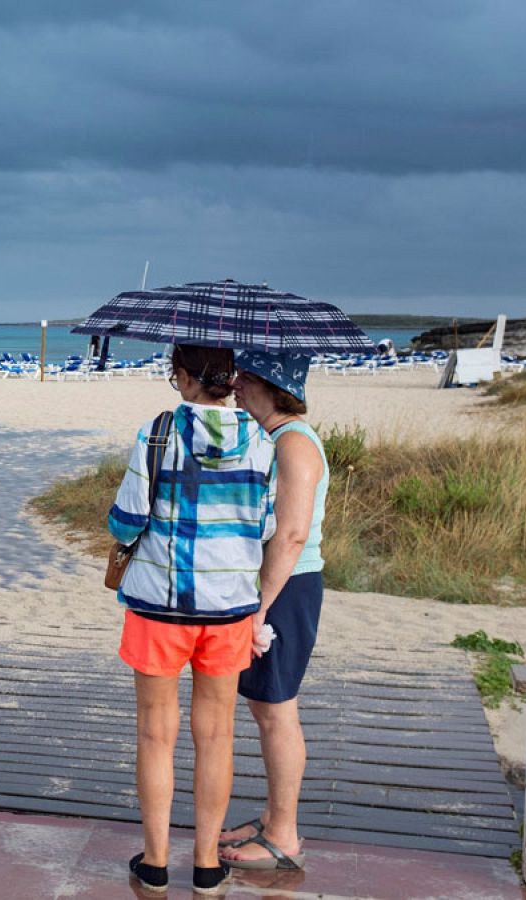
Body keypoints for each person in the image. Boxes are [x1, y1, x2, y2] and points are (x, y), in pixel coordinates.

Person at [108, 344, 277, 895]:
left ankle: (155, 864)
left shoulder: (159, 432)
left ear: (183, 377)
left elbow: (127, 519)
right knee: (217, 735)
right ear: (229, 379)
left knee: (156, 735)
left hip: (160, 605)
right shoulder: (261, 438)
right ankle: (207, 865)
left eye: (174, 375)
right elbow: (267, 524)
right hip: (227, 608)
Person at [219, 351, 327, 871]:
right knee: (265, 707)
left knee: (277, 710)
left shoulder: (295, 445)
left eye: (245, 377)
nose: (235, 384)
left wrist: (257, 608)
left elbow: (291, 534)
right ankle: (271, 816)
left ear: (270, 384)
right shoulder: (275, 439)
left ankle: (284, 833)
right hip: (275, 583)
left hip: (286, 586)